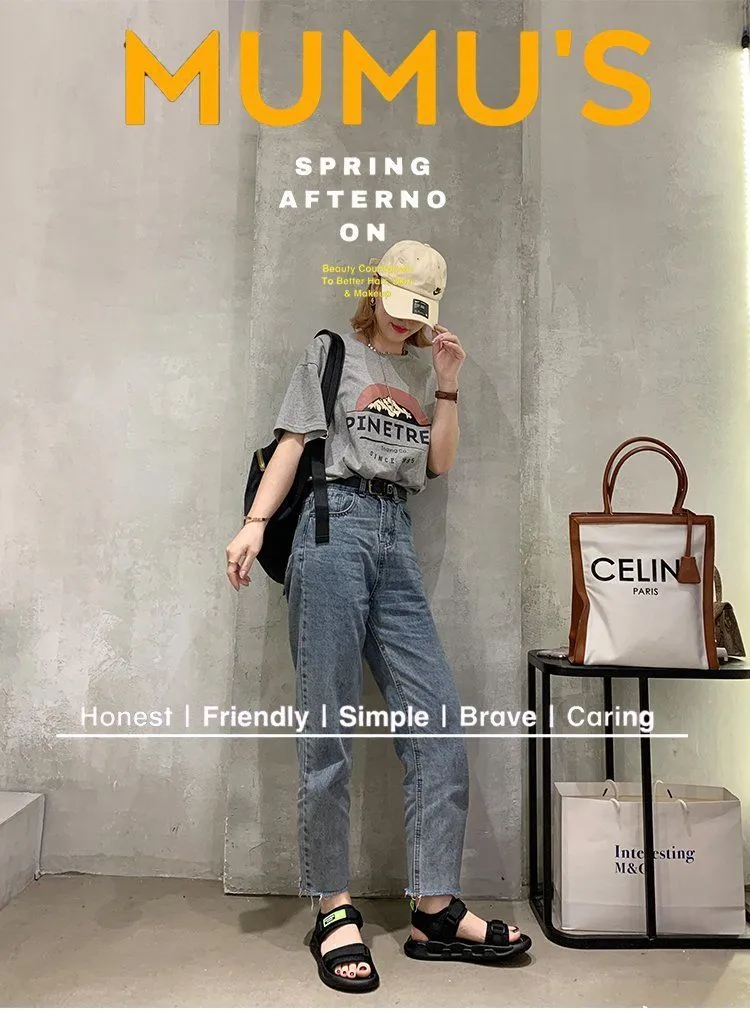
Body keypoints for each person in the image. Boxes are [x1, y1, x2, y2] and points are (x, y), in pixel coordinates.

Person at [225, 239, 531, 994]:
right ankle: (332, 908)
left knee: (437, 719)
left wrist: (448, 384)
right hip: (332, 527)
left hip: (396, 537)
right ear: (375, 290)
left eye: (417, 312)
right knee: (327, 725)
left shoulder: (421, 372)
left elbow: (437, 464)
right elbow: (294, 442)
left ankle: (433, 909)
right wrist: (256, 523)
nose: (404, 322)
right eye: (397, 306)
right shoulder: (333, 351)